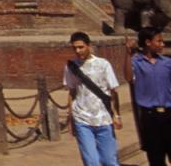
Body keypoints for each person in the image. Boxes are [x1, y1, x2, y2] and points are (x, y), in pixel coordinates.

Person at [64, 31, 122, 166]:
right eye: (75, 48)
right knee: (91, 161)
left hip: (104, 117)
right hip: (82, 117)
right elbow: (71, 92)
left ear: (88, 46)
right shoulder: (71, 67)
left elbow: (113, 91)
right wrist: (71, 116)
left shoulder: (103, 64)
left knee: (110, 160)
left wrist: (117, 115)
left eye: (81, 47)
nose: (78, 51)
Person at [125, 28, 171, 166]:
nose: (162, 44)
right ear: (148, 42)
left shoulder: (167, 63)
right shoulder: (136, 62)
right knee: (156, 157)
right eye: (159, 41)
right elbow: (128, 77)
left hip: (169, 114)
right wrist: (127, 54)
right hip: (150, 116)